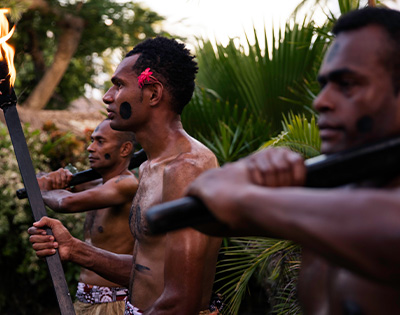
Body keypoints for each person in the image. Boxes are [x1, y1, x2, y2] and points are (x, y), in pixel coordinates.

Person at [183, 7, 400, 315]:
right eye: (325, 84)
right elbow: (207, 214)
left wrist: (244, 194)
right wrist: (245, 172)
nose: (321, 101)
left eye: (348, 84)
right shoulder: (331, 196)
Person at [29, 37, 222, 314]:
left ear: (153, 93)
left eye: (119, 85)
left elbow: (183, 302)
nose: (107, 96)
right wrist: (74, 248)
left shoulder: (186, 168)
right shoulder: (150, 166)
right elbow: (148, 272)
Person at [37, 119, 138, 315]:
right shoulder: (96, 184)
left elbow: (67, 202)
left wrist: (40, 190)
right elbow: (55, 185)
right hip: (85, 298)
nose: (90, 148)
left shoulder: (126, 184)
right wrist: (51, 177)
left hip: (115, 302)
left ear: (125, 149)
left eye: (100, 142)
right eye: (92, 140)